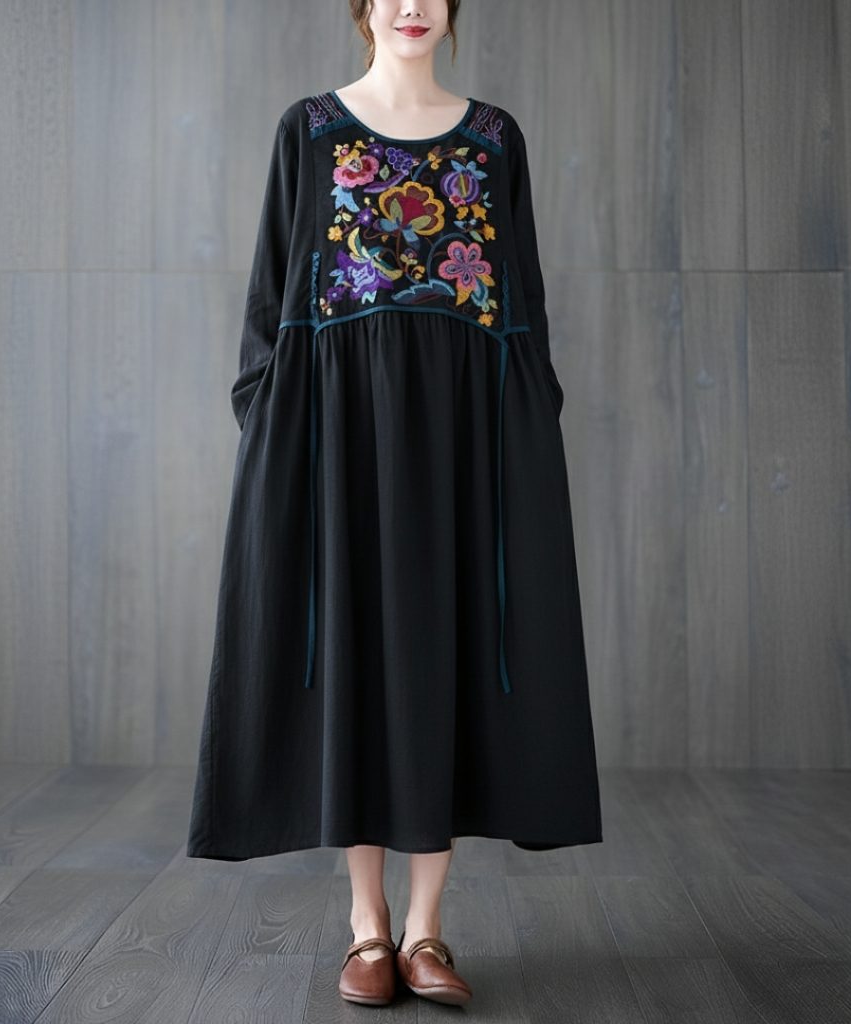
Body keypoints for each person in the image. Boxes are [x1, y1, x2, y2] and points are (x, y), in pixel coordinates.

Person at [186, 0, 603, 1008]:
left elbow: (523, 298)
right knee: (355, 658)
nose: (411, 5)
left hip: (463, 436)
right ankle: (366, 927)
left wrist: (527, 419)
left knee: (442, 656)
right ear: (363, 9)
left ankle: (426, 930)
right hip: (338, 431)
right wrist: (269, 412)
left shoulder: (493, 138)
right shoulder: (310, 129)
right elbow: (271, 293)